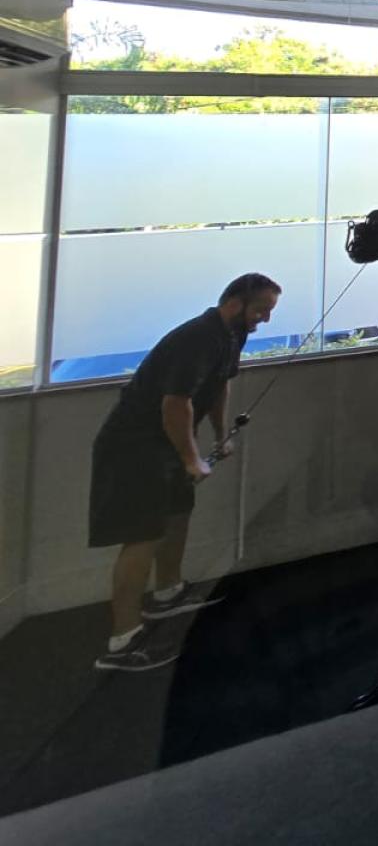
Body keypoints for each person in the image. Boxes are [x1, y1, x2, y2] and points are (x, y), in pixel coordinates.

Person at [88, 273, 281, 672]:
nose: (264, 319)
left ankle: (167, 591)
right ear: (235, 303)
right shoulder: (197, 338)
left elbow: (220, 385)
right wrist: (192, 458)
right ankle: (123, 640)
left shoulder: (232, 336)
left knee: (178, 512)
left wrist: (220, 435)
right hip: (135, 447)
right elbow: (175, 404)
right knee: (143, 535)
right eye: (261, 310)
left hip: (169, 443)